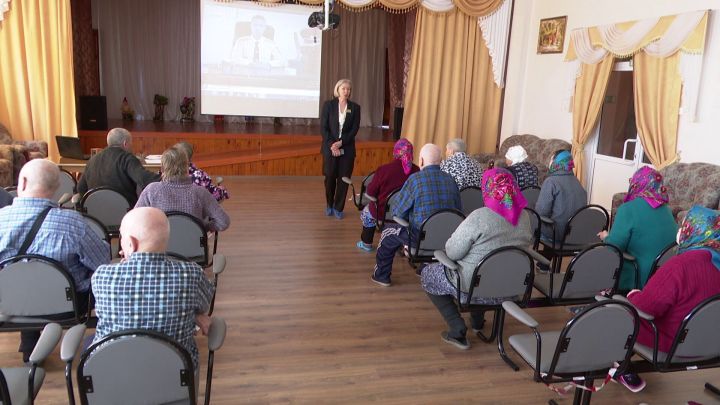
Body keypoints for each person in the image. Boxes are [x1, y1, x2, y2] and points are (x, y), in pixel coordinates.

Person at [0, 159, 110, 362]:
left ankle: (30, 342)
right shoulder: (74, 223)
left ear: (22, 183)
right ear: (57, 188)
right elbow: (101, 264)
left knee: (20, 277)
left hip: (8, 304)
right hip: (68, 305)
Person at [421, 168, 533, 349]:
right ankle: (477, 321)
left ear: (487, 189)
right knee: (485, 271)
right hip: (512, 287)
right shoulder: (525, 216)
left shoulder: (479, 216)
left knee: (428, 274)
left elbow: (452, 252)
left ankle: (457, 328)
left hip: (473, 289)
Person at [92, 207, 215, 370]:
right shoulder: (192, 274)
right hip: (174, 375)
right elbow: (205, 305)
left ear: (131, 243)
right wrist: (194, 314)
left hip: (112, 371)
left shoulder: (102, 276)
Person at [614, 206, 720, 393]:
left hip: (672, 344)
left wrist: (632, 295)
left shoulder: (679, 266)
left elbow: (647, 307)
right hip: (713, 346)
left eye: (685, 225)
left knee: (615, 308)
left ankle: (620, 367)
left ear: (691, 231)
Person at [371, 144, 461, 287]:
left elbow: (397, 211)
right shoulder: (451, 180)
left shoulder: (415, 180)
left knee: (387, 233)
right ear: (441, 160)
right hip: (446, 237)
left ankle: (381, 275)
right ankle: (424, 267)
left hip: (418, 238)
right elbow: (457, 211)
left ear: (421, 161)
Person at [598, 167, 677, 290]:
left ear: (636, 183)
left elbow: (614, 246)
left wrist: (606, 237)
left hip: (640, 276)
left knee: (602, 256)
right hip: (666, 276)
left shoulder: (627, 209)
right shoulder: (666, 209)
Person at [135, 147, 230, 232]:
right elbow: (224, 222)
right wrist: (202, 228)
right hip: (194, 249)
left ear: (163, 168)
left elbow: (134, 220)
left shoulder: (151, 190)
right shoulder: (200, 193)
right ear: (187, 167)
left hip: (159, 248)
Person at [356, 138, 419, 252]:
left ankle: (367, 243)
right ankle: (401, 244)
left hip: (382, 212)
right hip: (406, 214)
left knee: (366, 212)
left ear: (396, 151)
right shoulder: (416, 170)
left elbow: (370, 192)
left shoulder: (384, 170)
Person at [77, 128, 160, 205]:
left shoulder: (93, 159)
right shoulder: (127, 158)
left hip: (95, 212)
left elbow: (80, 188)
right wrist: (165, 176)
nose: (132, 145)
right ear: (125, 143)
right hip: (125, 212)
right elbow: (143, 179)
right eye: (131, 142)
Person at [320, 79, 361, 219]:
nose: (346, 91)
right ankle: (329, 205)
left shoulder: (355, 108)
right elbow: (323, 128)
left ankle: (338, 208)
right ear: (338, 89)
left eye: (348, 89)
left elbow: (354, 130)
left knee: (344, 180)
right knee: (330, 178)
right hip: (330, 148)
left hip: (347, 149)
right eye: (344, 88)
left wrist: (341, 143)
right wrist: (333, 144)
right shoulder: (328, 105)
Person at [535, 150, 587, 242]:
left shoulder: (551, 182)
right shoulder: (577, 182)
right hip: (573, 235)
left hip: (556, 233)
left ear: (556, 162)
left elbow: (541, 212)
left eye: (551, 159)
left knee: (531, 218)